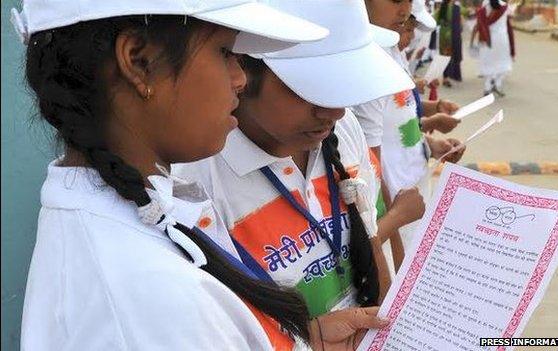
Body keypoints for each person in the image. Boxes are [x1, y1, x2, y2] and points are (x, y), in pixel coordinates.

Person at [14, 0, 388, 349]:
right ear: (139, 61)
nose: (240, 78)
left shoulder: (132, 222)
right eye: (225, 52)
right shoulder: (156, 303)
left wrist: (308, 340)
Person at [174, 0, 427, 323]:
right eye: (310, 87)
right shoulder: (196, 181)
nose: (333, 110)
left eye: (343, 84)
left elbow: (370, 241)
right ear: (241, 71)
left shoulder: (343, 129)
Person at [356, 0, 466, 270]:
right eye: (396, 1)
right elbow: (370, 160)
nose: (405, 12)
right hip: (394, 207)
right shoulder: (368, 68)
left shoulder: (392, 52)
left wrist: (430, 145)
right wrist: (393, 232)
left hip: (411, 196)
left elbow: (400, 123)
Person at [470, 0, 516, 97]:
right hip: (502, 39)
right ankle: (497, 84)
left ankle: (487, 88)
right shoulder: (505, 6)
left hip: (487, 40)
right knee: (503, 63)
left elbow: (480, 23)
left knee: (488, 63)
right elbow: (510, 20)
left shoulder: (485, 5)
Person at [436, 0, 464, 86]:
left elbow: (436, 21)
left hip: (444, 36)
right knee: (454, 55)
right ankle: (453, 75)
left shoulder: (441, 8)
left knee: (445, 57)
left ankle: (445, 77)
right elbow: (466, 13)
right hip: (453, 35)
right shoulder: (456, 7)